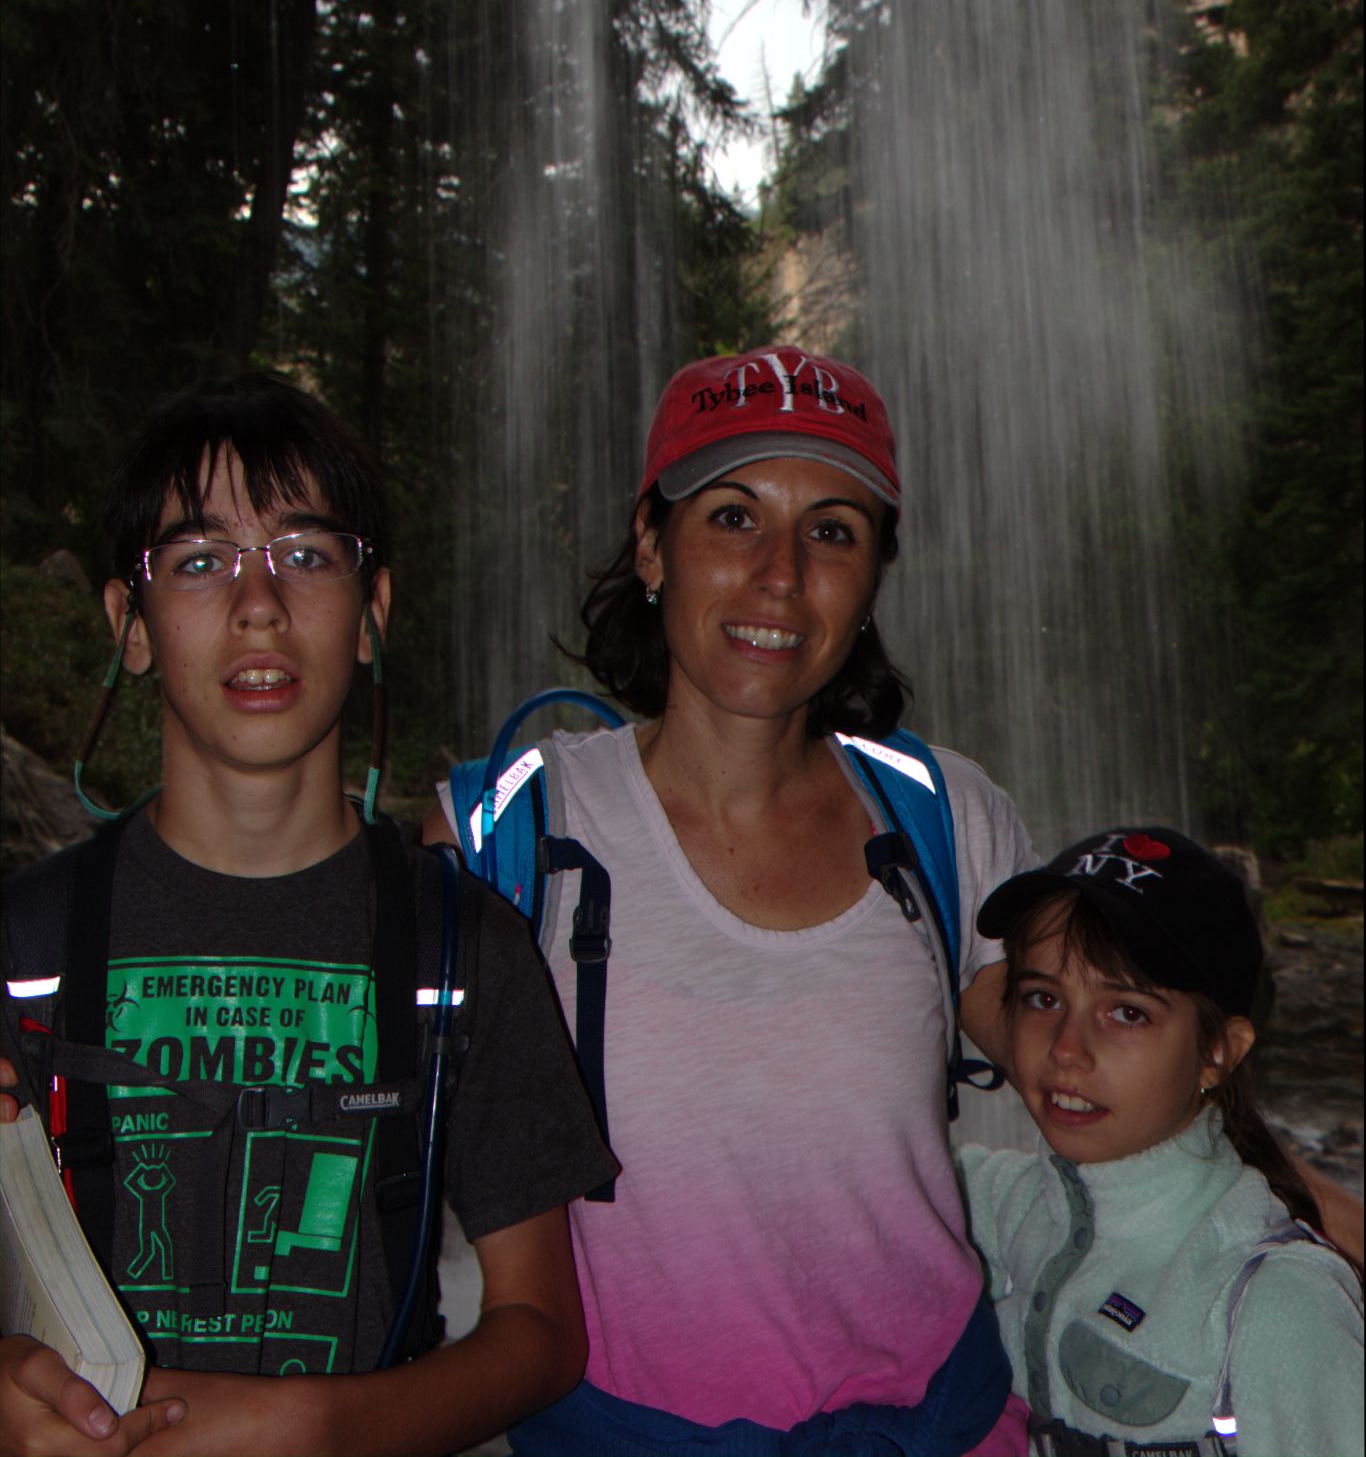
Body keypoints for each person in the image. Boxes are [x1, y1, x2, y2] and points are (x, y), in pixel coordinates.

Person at [426, 343, 1039, 1456]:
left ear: (871, 578)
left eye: (834, 531)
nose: (781, 574)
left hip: (937, 1430)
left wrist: (1286, 1213)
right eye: (733, 517)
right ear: (650, 546)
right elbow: (296, 1048)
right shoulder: (501, 835)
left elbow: (1103, 1057)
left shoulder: (944, 820)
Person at [0, 371, 616, 1457]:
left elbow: (540, 1328)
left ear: (372, 613)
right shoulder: (22, 946)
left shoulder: (460, 948)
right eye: (197, 561)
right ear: (129, 624)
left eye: (306, 554)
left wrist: (325, 1423)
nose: (258, 603)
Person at [957, 827, 1364, 1457]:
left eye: (1127, 1013)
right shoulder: (982, 1207)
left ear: (1218, 1052)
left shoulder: (1271, 1303)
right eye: (1043, 998)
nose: (1066, 1048)